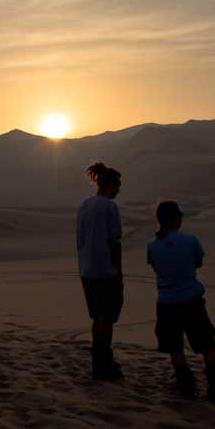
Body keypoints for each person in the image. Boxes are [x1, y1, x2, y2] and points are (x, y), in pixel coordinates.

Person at [147, 201, 215, 400]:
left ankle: (185, 384)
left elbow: (157, 269)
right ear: (176, 218)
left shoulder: (152, 245)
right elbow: (198, 262)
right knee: (207, 343)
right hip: (191, 300)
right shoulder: (191, 240)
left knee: (174, 345)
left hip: (167, 303)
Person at [76, 161, 124, 380]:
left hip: (86, 270)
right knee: (106, 319)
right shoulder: (109, 207)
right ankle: (104, 364)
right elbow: (114, 240)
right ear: (110, 184)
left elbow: (80, 239)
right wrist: (118, 272)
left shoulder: (84, 205)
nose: (119, 190)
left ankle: (99, 363)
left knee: (97, 318)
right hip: (105, 271)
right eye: (118, 186)